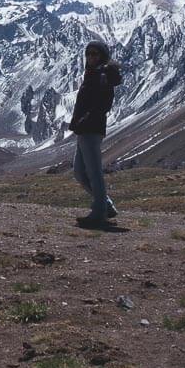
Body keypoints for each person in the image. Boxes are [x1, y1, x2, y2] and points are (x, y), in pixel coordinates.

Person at [69, 39, 123, 228]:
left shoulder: (102, 75)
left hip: (91, 129)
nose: (91, 57)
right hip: (84, 129)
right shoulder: (92, 74)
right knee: (79, 172)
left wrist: (86, 118)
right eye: (88, 54)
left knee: (93, 172)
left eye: (95, 54)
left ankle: (99, 213)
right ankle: (105, 205)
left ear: (102, 56)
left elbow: (103, 104)